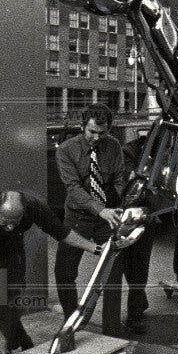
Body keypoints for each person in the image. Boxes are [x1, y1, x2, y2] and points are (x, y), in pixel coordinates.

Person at [0, 190, 101, 354]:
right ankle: (9, 350)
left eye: (15, 221)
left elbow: (61, 232)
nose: (9, 227)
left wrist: (94, 248)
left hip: (10, 248)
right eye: (5, 221)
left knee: (14, 294)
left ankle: (20, 342)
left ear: (23, 212)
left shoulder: (32, 206)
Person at [54, 103, 126, 336]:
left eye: (102, 133)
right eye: (91, 132)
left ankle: (112, 331)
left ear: (109, 130)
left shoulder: (113, 146)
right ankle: (71, 322)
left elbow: (119, 179)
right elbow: (73, 188)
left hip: (107, 217)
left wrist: (115, 205)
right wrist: (99, 209)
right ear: (82, 126)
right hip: (77, 217)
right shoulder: (65, 150)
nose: (96, 138)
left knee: (112, 273)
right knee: (64, 272)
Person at [118, 133, 158, 335]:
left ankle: (135, 314)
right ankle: (139, 302)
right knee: (130, 265)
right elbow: (129, 179)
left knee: (139, 267)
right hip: (128, 213)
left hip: (145, 214)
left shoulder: (157, 153)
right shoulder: (129, 152)